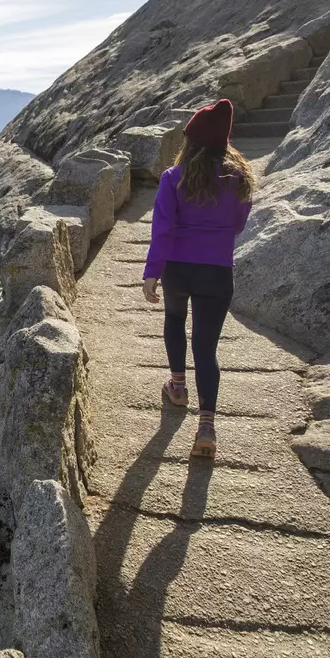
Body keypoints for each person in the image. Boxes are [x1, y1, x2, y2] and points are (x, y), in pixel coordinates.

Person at [142, 99, 257, 459]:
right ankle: (206, 426)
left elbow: (162, 229)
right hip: (217, 272)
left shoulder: (173, 179)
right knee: (206, 348)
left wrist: (152, 273)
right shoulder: (238, 179)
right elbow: (238, 224)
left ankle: (177, 387)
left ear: (190, 142)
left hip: (178, 268)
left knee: (174, 320)